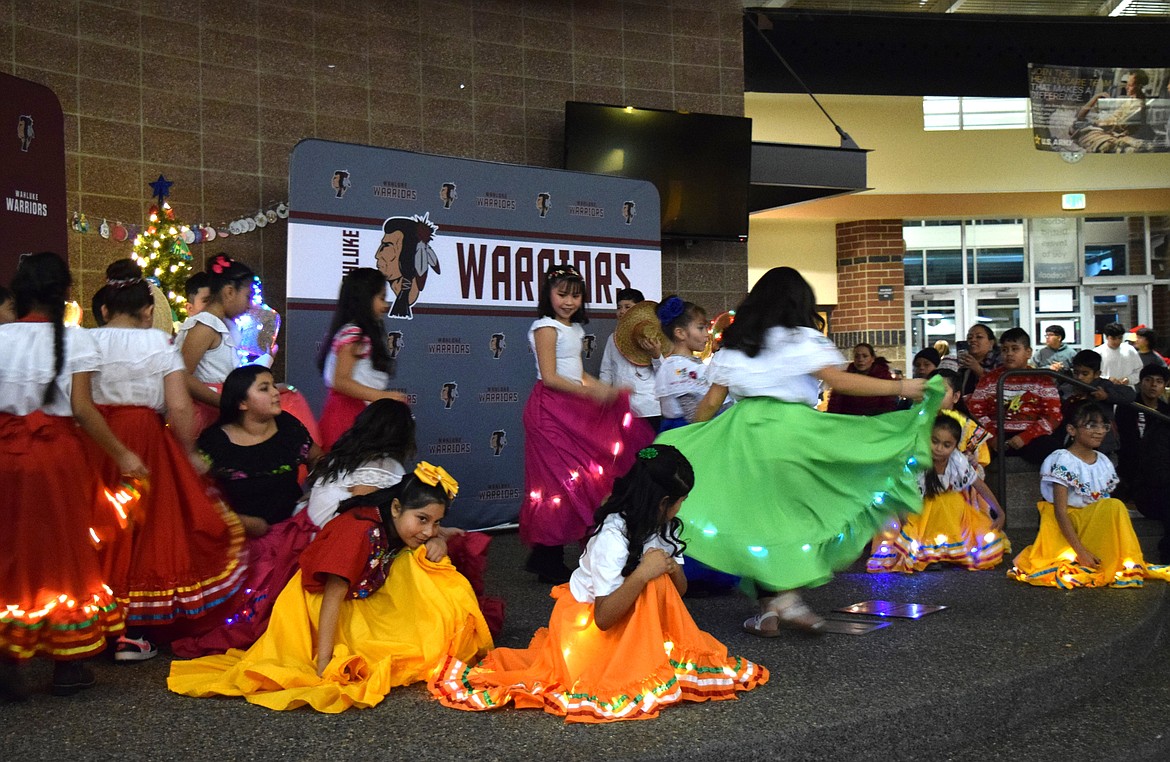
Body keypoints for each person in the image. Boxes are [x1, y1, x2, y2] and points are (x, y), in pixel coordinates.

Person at [656, 267, 937, 635]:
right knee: (794, 517)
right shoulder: (803, 339)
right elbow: (839, 381)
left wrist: (693, 441)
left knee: (754, 521)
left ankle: (768, 609)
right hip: (795, 434)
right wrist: (904, 386)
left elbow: (710, 403)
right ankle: (787, 600)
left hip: (741, 437)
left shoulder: (737, 344)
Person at [430, 445, 767, 723]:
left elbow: (677, 594)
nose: (682, 507)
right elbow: (604, 618)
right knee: (648, 583)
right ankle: (634, 659)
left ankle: (648, 651)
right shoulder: (613, 537)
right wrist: (643, 573)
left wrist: (665, 565)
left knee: (656, 583)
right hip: (590, 628)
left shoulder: (661, 526)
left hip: (632, 617)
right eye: (680, 500)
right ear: (662, 502)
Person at [168, 463, 494, 713]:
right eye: (422, 520)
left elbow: (434, 533)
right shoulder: (356, 533)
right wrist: (323, 661)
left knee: (432, 570)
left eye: (434, 522)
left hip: (364, 592)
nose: (427, 529)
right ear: (395, 507)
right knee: (408, 631)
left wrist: (438, 538)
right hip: (318, 606)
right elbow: (332, 595)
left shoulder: (394, 523)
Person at [84, 260, 246, 661]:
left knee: (99, 527)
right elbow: (179, 405)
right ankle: (133, 631)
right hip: (145, 438)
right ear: (145, 311)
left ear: (105, 308)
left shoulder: (86, 341)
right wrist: (188, 451)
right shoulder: (157, 343)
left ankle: (89, 625)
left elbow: (77, 402)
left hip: (97, 440)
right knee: (149, 529)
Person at [0, 253, 131, 697]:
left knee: (9, 553)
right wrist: (122, 453)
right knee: (64, 557)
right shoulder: (75, 341)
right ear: (66, 294)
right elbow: (82, 410)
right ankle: (67, 665)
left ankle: (6, 658)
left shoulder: (0, 338)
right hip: (58, 461)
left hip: (5, 455)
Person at [521, 264, 639, 585]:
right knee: (557, 484)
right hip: (550, 410)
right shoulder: (545, 327)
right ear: (548, 295)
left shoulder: (574, 329)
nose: (569, 302)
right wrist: (591, 394)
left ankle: (548, 554)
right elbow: (551, 378)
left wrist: (605, 390)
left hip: (569, 408)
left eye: (575, 295)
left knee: (577, 479)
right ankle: (548, 558)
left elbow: (578, 372)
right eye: (561, 294)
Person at [1008, 402, 1170, 588]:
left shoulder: (1103, 461)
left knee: (1114, 505)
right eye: (1091, 425)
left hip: (1092, 522)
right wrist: (1080, 552)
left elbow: (1103, 502)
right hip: (1067, 523)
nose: (1099, 431)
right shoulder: (1062, 459)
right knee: (1114, 506)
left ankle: (1125, 559)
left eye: (1104, 426)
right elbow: (1059, 511)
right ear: (1071, 429)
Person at [868, 414, 1007, 573]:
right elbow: (901, 494)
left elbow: (979, 485)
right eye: (934, 442)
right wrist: (905, 521)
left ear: (955, 446)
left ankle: (946, 552)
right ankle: (930, 552)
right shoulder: (917, 463)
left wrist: (999, 512)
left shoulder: (957, 461)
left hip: (948, 512)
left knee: (959, 509)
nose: (939, 448)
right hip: (918, 509)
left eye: (946, 445)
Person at [317, 268, 407, 450]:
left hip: (356, 415)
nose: (385, 305)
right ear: (365, 298)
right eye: (381, 298)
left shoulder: (356, 332)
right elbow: (340, 381)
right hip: (347, 417)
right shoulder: (353, 333)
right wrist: (383, 396)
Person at [174, 254, 256, 431]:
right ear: (229, 292)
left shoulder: (222, 324)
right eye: (248, 296)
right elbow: (182, 376)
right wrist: (225, 403)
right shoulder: (205, 325)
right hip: (206, 412)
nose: (249, 305)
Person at [966, 327, 1063, 465]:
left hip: (1032, 437)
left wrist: (1025, 437)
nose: (1009, 354)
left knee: (1055, 452)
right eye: (1005, 350)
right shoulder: (989, 379)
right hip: (995, 435)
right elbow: (976, 410)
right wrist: (992, 436)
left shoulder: (1042, 380)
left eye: (1015, 349)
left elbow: (1053, 416)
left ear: (1028, 352)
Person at [1115, 364, 1170, 561]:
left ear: (1165, 385)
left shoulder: (1166, 413)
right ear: (1141, 382)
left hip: (1160, 474)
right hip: (1135, 477)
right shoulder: (1128, 408)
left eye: (1159, 381)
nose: (1153, 385)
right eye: (1148, 380)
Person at [598, 287, 662, 432]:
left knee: (650, 452)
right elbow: (606, 371)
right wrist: (603, 398)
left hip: (650, 409)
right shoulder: (612, 339)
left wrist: (656, 354)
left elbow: (665, 374)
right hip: (622, 408)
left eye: (628, 307)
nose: (622, 311)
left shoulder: (657, 338)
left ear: (638, 311)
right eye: (619, 307)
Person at [654, 296, 716, 431]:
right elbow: (692, 415)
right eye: (701, 328)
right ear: (680, 333)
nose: (707, 334)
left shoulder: (688, 364)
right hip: (685, 434)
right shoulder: (676, 367)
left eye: (706, 327)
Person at [1059, 350, 1134, 455]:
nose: (1079, 377)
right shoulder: (1067, 387)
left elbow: (1129, 394)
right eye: (1076, 373)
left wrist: (1107, 396)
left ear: (1097, 374)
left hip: (1103, 445)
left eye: (1085, 374)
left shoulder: (1103, 386)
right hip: (1073, 443)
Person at [1070, 69, 1157, 154]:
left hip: (1120, 134)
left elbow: (1117, 125)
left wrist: (1096, 123)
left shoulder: (1138, 104)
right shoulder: (1131, 101)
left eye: (1130, 85)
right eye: (1127, 84)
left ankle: (1123, 149)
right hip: (1112, 130)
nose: (1126, 87)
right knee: (1077, 128)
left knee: (1084, 134)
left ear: (1139, 86)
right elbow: (1115, 117)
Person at [827, 342, 897, 415]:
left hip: (876, 421)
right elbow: (834, 405)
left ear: (872, 359)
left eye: (865, 356)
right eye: (857, 356)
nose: (860, 359)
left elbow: (889, 404)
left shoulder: (884, 377)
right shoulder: (844, 377)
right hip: (849, 421)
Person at [956, 324, 1001, 405]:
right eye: (969, 338)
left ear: (991, 343)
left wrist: (978, 369)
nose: (973, 340)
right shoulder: (963, 363)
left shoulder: (999, 360)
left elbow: (999, 387)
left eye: (979, 337)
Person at [1095, 321, 1143, 389]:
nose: (1117, 341)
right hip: (1105, 391)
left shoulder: (1130, 350)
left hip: (1126, 391)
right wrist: (1107, 379)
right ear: (1106, 337)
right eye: (1113, 338)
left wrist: (1129, 379)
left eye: (1120, 338)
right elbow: (1093, 375)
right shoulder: (1098, 352)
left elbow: (1139, 371)